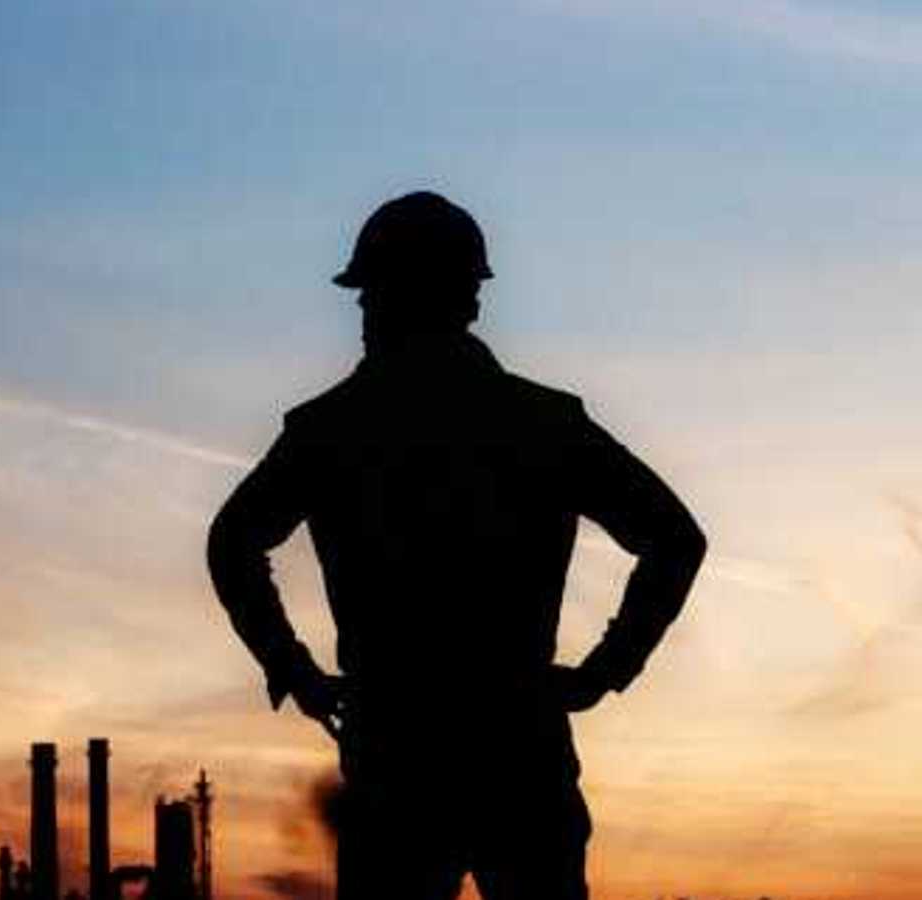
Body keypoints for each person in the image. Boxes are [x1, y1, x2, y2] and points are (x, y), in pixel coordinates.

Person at [206, 191, 707, 899]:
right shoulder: (543, 424)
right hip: (518, 754)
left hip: (397, 762)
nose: (362, 316)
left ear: (391, 297)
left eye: (368, 297)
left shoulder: (333, 430)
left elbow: (231, 544)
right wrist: (602, 671)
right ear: (470, 299)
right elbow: (675, 539)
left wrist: (295, 669)